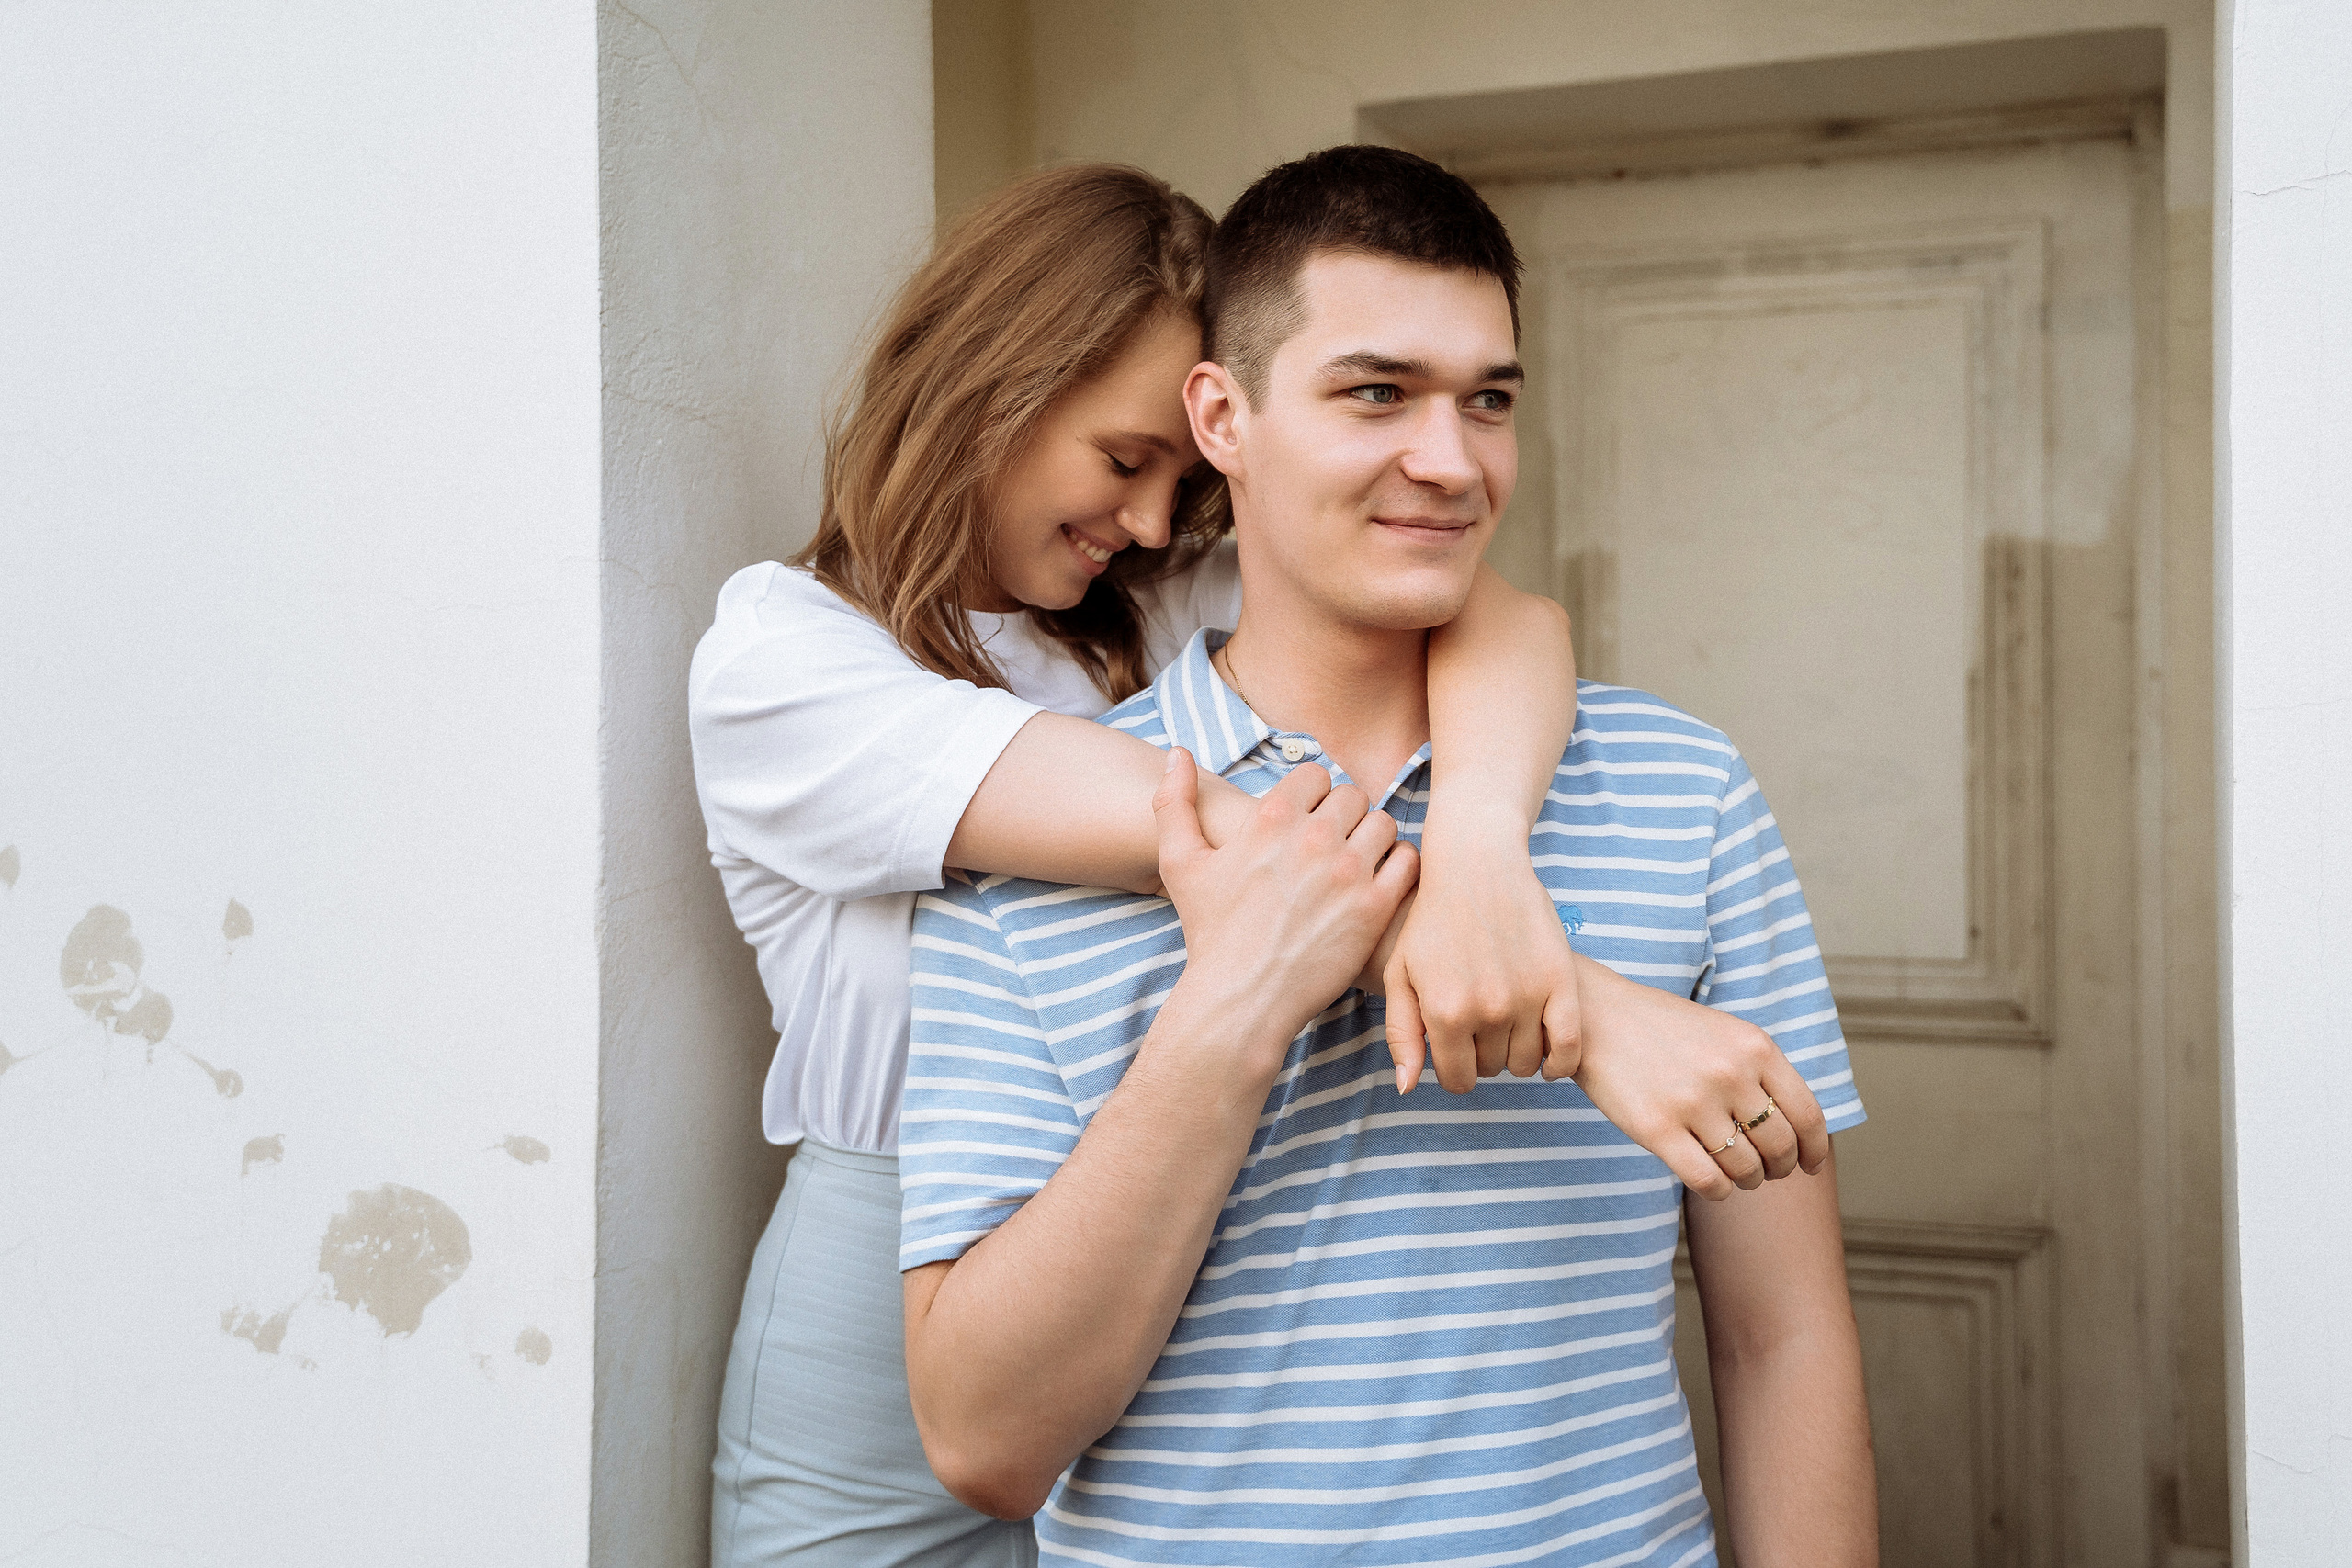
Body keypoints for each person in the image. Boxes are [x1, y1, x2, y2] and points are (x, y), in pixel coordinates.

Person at [692, 164, 1790, 1567]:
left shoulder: (1143, 609)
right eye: (1121, 459)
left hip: (1175, 1242)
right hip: (884, 1264)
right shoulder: (786, 661)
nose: (1153, 523)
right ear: (991, 388)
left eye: (1176, 475)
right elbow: (1227, 838)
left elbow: (1503, 622)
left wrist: (1480, 854)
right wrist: (1588, 1006)